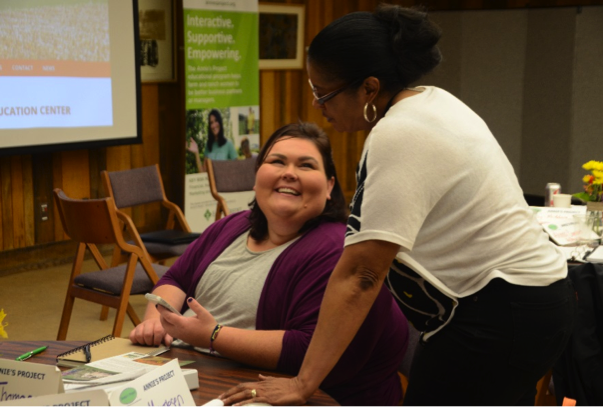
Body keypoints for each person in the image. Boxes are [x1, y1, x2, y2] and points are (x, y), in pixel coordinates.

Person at [221, 5, 576, 407]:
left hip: (500, 312)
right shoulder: (432, 101)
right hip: (532, 303)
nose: (319, 105)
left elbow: (362, 274)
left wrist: (303, 383)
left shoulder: (401, 132)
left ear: (370, 88)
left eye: (325, 93)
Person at [131, 122, 409, 406]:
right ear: (256, 178)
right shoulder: (232, 226)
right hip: (191, 370)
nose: (289, 173)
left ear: (329, 187)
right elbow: (176, 279)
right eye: (277, 161)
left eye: (306, 165)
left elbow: (307, 348)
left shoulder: (336, 250)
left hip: (278, 391)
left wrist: (212, 336)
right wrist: (156, 321)